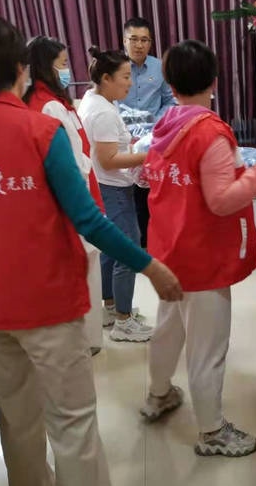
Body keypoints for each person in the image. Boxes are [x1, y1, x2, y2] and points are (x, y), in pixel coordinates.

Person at [0, 13, 181, 486]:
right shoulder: (40, 131)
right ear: (20, 66)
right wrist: (149, 265)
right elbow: (87, 218)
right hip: (47, 302)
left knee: (18, 419)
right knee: (72, 421)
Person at [139, 39, 256, 457]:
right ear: (214, 81)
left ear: (170, 85)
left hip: (169, 248)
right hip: (201, 254)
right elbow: (222, 201)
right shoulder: (209, 132)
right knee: (207, 348)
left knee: (169, 328)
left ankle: (158, 394)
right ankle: (212, 432)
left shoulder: (166, 123)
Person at [25, 35, 105, 355]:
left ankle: (85, 338)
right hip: (73, 201)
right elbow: (73, 162)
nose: (67, 70)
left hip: (69, 198)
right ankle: (86, 341)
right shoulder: (49, 105)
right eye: (62, 64)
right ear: (45, 67)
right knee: (84, 270)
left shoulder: (47, 100)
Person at [79, 46, 153, 342]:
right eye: (124, 77)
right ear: (106, 78)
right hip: (113, 187)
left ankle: (111, 306)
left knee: (110, 248)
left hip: (104, 185)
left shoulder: (93, 100)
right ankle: (124, 321)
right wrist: (149, 155)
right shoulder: (103, 112)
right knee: (127, 250)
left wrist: (133, 144)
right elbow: (109, 159)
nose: (130, 83)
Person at [120, 17, 176, 248]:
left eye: (144, 40)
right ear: (124, 41)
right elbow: (109, 99)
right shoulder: (115, 67)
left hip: (154, 137)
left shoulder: (159, 67)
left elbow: (170, 100)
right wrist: (128, 125)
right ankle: (137, 240)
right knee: (127, 190)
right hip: (122, 136)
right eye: (134, 39)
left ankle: (155, 239)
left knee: (153, 188)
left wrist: (154, 124)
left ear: (151, 43)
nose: (139, 45)